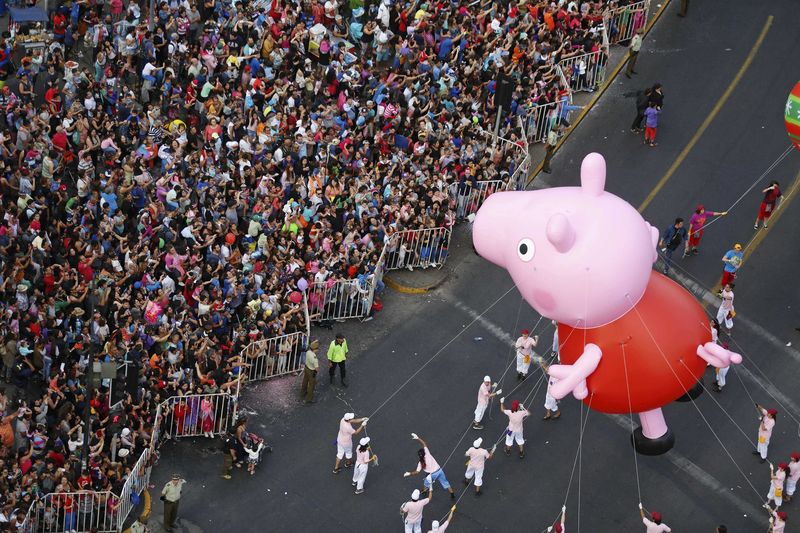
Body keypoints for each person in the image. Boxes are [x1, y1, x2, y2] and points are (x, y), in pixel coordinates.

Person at [404, 434, 456, 499]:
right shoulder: (427, 453)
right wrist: (417, 438)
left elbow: (417, 472)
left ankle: (424, 491)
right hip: (439, 471)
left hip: (431, 475)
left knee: (426, 483)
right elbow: (424, 444)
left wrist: (409, 473)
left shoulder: (420, 463)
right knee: (445, 482)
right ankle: (452, 493)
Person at [301, 339, 320, 404]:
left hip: (306, 368)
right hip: (312, 371)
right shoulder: (314, 358)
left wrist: (315, 341)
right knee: (312, 385)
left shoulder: (308, 352)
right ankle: (309, 398)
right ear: (315, 349)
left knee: (305, 381)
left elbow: (312, 344)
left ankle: (303, 393)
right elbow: (317, 368)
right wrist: (317, 370)